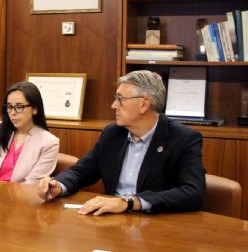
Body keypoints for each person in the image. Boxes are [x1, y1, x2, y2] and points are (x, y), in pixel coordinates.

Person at [37, 70, 206, 215]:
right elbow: (82, 171)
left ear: (144, 104)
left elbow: (192, 193)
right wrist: (58, 184)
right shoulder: (113, 134)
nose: (113, 105)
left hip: (156, 226)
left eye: (120, 99)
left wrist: (130, 202)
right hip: (111, 223)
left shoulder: (182, 139)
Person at [0, 81, 59, 184]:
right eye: (9, 107)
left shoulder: (49, 142)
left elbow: (32, 185)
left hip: (19, 198)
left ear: (34, 109)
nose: (12, 113)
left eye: (19, 107)